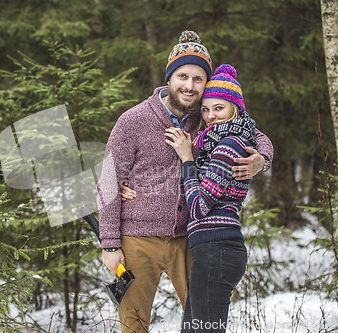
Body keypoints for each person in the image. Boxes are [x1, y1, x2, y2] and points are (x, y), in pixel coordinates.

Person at [97, 31, 273, 333]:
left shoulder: (206, 116)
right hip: (139, 239)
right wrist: (110, 244)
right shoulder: (133, 120)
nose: (189, 86)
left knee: (203, 322)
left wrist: (262, 158)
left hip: (190, 239)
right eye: (182, 76)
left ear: (207, 84)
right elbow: (109, 182)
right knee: (134, 323)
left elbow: (253, 132)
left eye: (198, 78)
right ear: (170, 77)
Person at [165, 64, 256, 332]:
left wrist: (187, 159)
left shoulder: (229, 144)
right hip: (211, 250)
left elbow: (198, 205)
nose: (210, 115)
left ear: (234, 109)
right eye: (205, 109)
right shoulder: (215, 141)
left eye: (219, 108)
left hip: (219, 249)